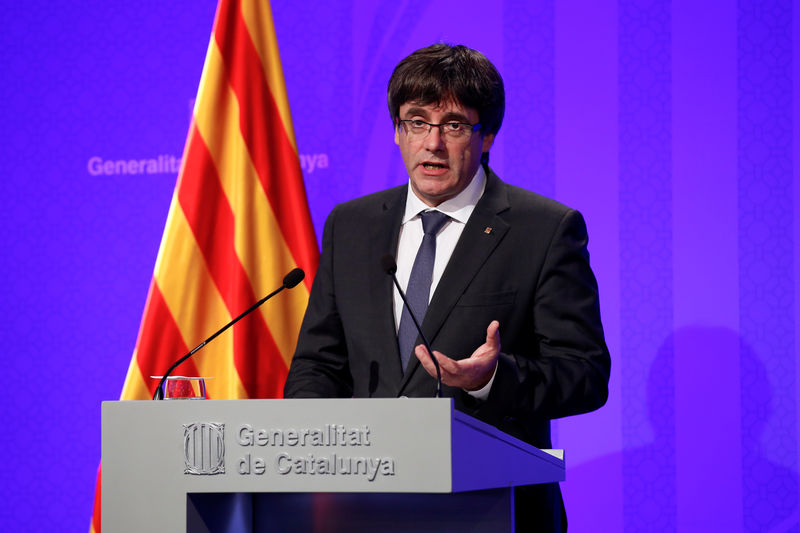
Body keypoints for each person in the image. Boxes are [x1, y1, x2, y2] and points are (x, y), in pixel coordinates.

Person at [284, 43, 610, 532]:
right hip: (360, 505)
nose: (432, 143)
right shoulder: (352, 226)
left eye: (454, 125)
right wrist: (316, 448)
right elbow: (318, 362)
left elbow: (585, 374)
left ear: (488, 135)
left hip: (490, 507)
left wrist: (489, 378)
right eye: (417, 121)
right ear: (397, 131)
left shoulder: (543, 229)